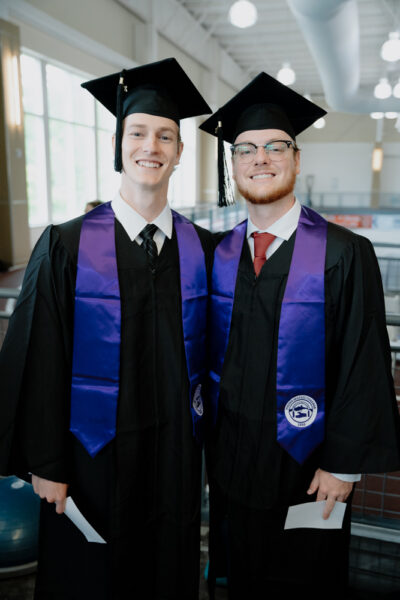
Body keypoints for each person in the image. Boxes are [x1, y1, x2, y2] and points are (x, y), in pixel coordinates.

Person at [0, 57, 212, 599]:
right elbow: (38, 357)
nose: (152, 146)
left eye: (166, 136)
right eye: (138, 132)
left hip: (173, 463)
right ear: (119, 144)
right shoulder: (66, 245)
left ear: (180, 153)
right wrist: (45, 464)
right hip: (89, 460)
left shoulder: (201, 248)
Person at [200, 72, 400, 599]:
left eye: (274, 146)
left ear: (296, 158)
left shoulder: (344, 253)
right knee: (238, 578)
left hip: (310, 467)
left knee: (305, 583)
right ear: (234, 164)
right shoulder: (216, 254)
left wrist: (344, 465)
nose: (260, 158)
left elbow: (364, 362)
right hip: (233, 466)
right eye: (246, 149)